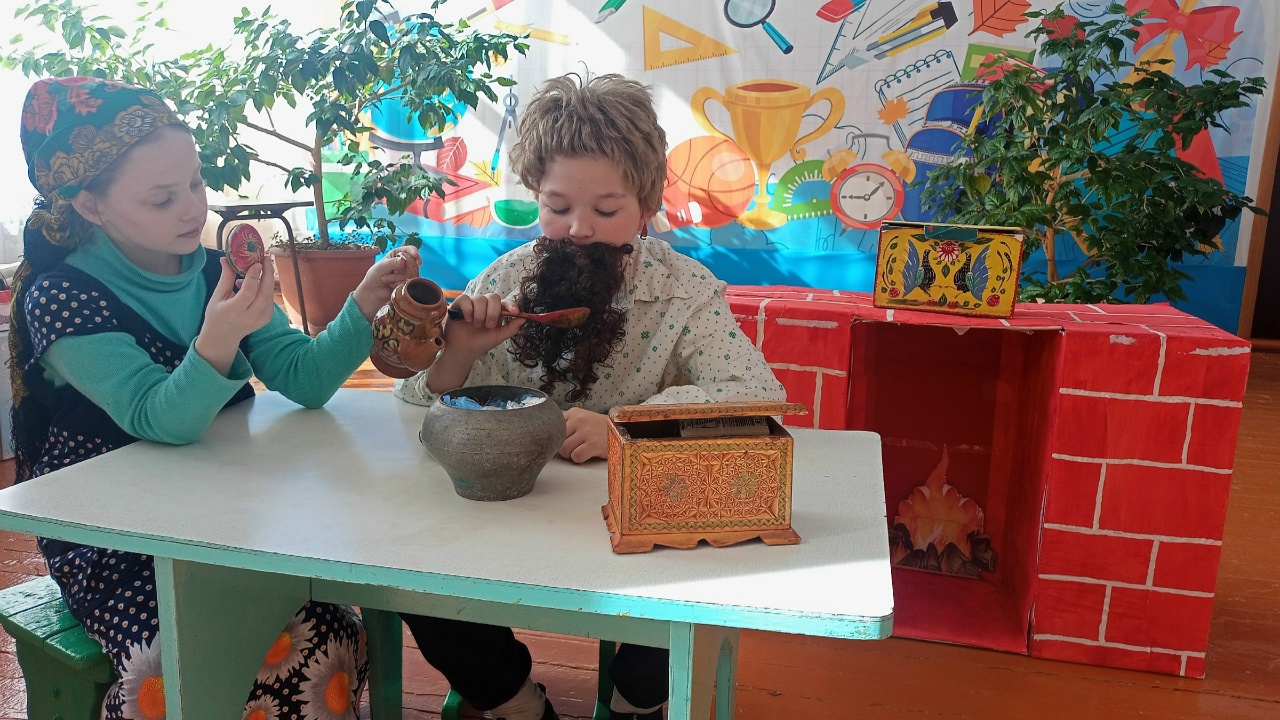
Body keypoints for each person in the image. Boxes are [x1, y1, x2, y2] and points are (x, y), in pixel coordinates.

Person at [11, 77, 423, 719]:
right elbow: (157, 418)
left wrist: (362, 302)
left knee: (330, 632)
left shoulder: (213, 271)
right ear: (90, 205)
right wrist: (218, 337)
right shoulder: (62, 298)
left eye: (196, 184)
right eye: (162, 198)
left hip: (225, 506)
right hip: (117, 537)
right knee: (187, 660)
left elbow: (304, 379)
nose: (191, 210)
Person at [393, 72, 787, 720]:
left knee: (701, 569)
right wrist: (458, 351)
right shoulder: (509, 278)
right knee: (409, 575)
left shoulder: (683, 290)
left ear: (647, 206)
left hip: (632, 523)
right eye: (557, 207)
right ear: (535, 197)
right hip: (509, 513)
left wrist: (626, 428)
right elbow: (413, 402)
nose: (578, 229)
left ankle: (635, 700)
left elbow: (756, 395)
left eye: (606, 212)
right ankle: (516, 702)